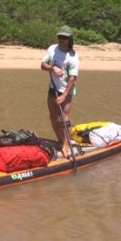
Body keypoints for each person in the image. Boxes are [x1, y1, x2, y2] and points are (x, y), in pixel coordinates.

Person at [40, 25, 79, 159]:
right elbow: (42, 65)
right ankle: (60, 140)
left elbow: (73, 79)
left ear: (69, 39)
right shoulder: (52, 49)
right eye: (60, 37)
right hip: (53, 88)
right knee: (53, 116)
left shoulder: (72, 56)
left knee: (64, 119)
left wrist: (64, 96)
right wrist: (53, 68)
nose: (62, 40)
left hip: (66, 90)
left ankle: (66, 146)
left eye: (65, 38)